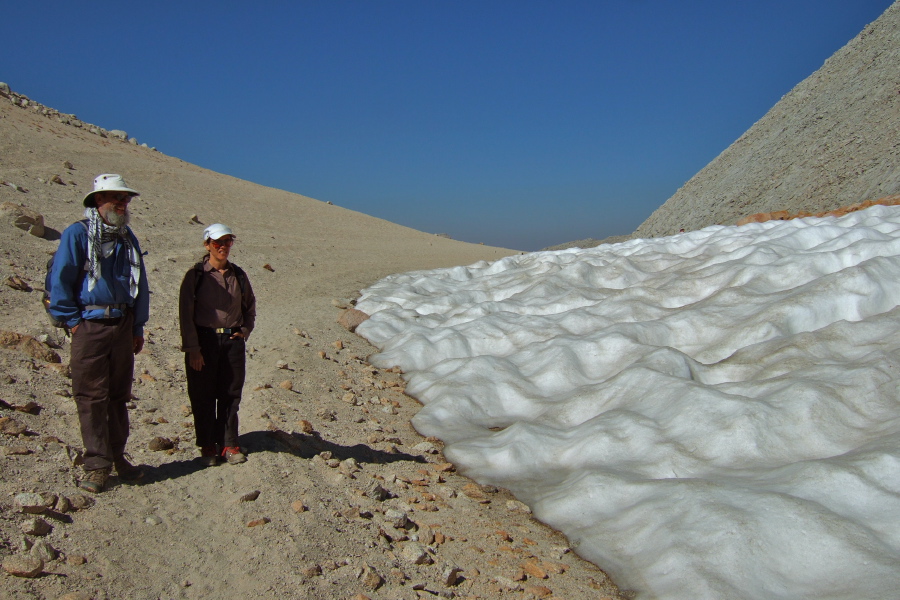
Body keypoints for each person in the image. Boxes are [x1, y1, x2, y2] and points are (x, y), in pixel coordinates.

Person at [48, 173, 150, 493]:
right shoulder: (77, 235)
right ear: (98, 200)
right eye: (116, 198)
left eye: (125, 199)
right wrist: (73, 322)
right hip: (90, 326)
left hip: (122, 324)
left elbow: (139, 285)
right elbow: (61, 280)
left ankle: (117, 456)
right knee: (91, 397)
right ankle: (96, 463)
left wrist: (136, 326)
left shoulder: (126, 237)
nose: (122, 203)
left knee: (118, 396)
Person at [178, 224, 256, 466]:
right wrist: (193, 349)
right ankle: (207, 445)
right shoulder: (196, 275)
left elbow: (250, 306)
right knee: (202, 394)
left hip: (232, 341)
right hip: (204, 341)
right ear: (207, 245)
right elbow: (185, 314)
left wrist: (244, 330)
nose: (223, 247)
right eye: (217, 243)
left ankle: (229, 443)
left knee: (231, 393)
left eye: (227, 241)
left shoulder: (239, 275)